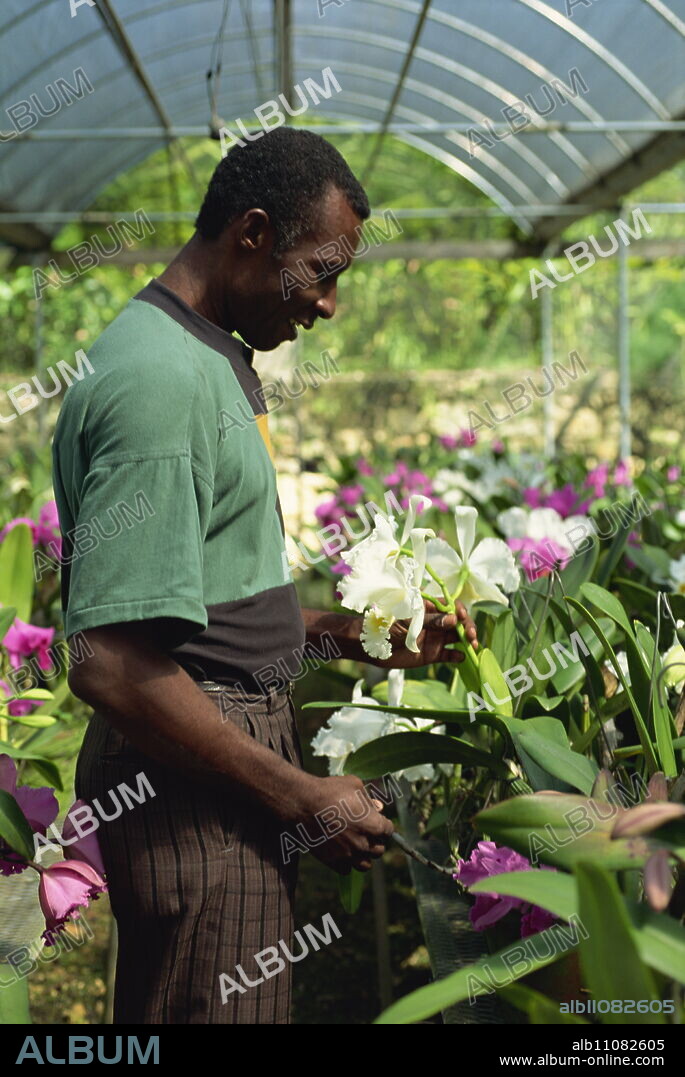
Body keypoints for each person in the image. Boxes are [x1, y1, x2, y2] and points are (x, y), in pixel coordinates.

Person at [52, 127, 478, 1024]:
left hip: (208, 768)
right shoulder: (163, 382)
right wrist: (295, 791)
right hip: (194, 795)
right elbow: (106, 657)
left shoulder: (197, 353)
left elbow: (199, 598)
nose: (327, 306)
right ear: (251, 234)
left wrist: (349, 636)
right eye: (320, 272)